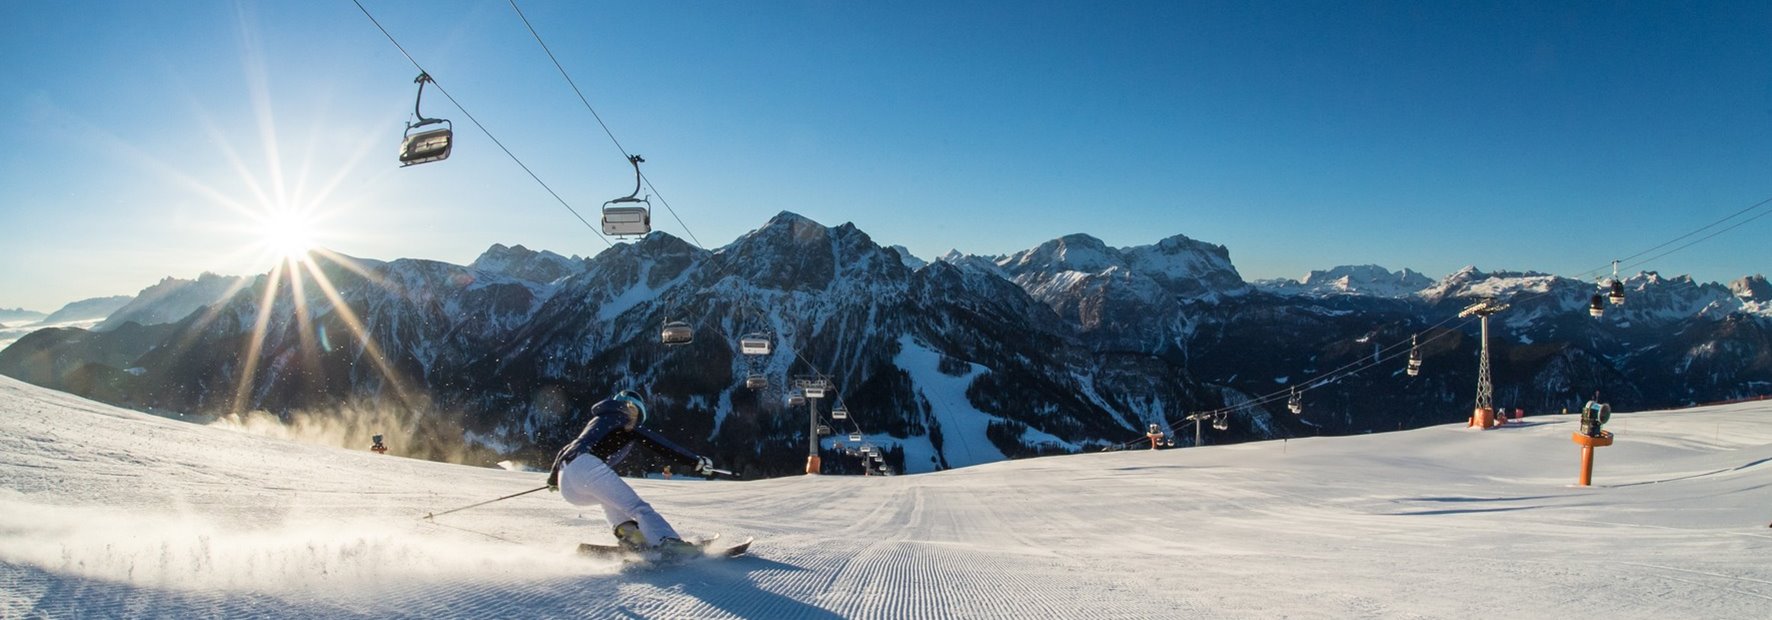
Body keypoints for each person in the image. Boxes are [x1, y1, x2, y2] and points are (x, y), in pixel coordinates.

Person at [546, 390, 717, 557]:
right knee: (637, 507)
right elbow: (658, 443)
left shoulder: (600, 419)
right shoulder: (623, 417)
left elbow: (565, 449)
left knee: (609, 499)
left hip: (567, 481)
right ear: (632, 407)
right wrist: (695, 461)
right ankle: (669, 542)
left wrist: (554, 479)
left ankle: (633, 538)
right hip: (585, 466)